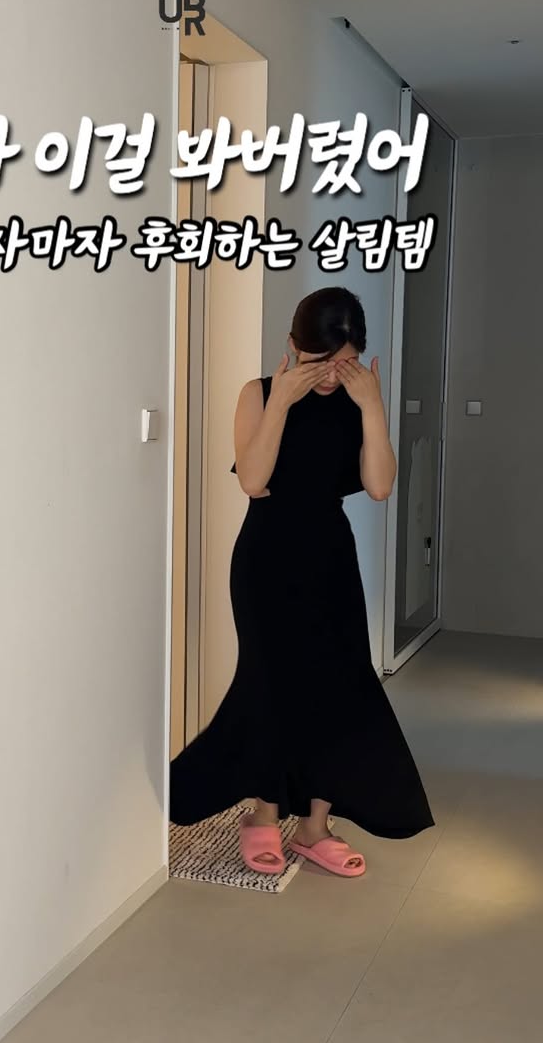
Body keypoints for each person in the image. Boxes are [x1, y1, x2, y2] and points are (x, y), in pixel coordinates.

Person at [169, 286, 434, 877]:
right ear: (293, 346)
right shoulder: (259, 393)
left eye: (346, 362)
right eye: (319, 361)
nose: (332, 375)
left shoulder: (359, 398)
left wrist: (373, 407)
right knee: (270, 683)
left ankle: (315, 826)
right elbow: (254, 481)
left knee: (339, 685)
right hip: (266, 558)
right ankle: (262, 816)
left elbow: (380, 486)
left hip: (330, 556)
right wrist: (283, 401)